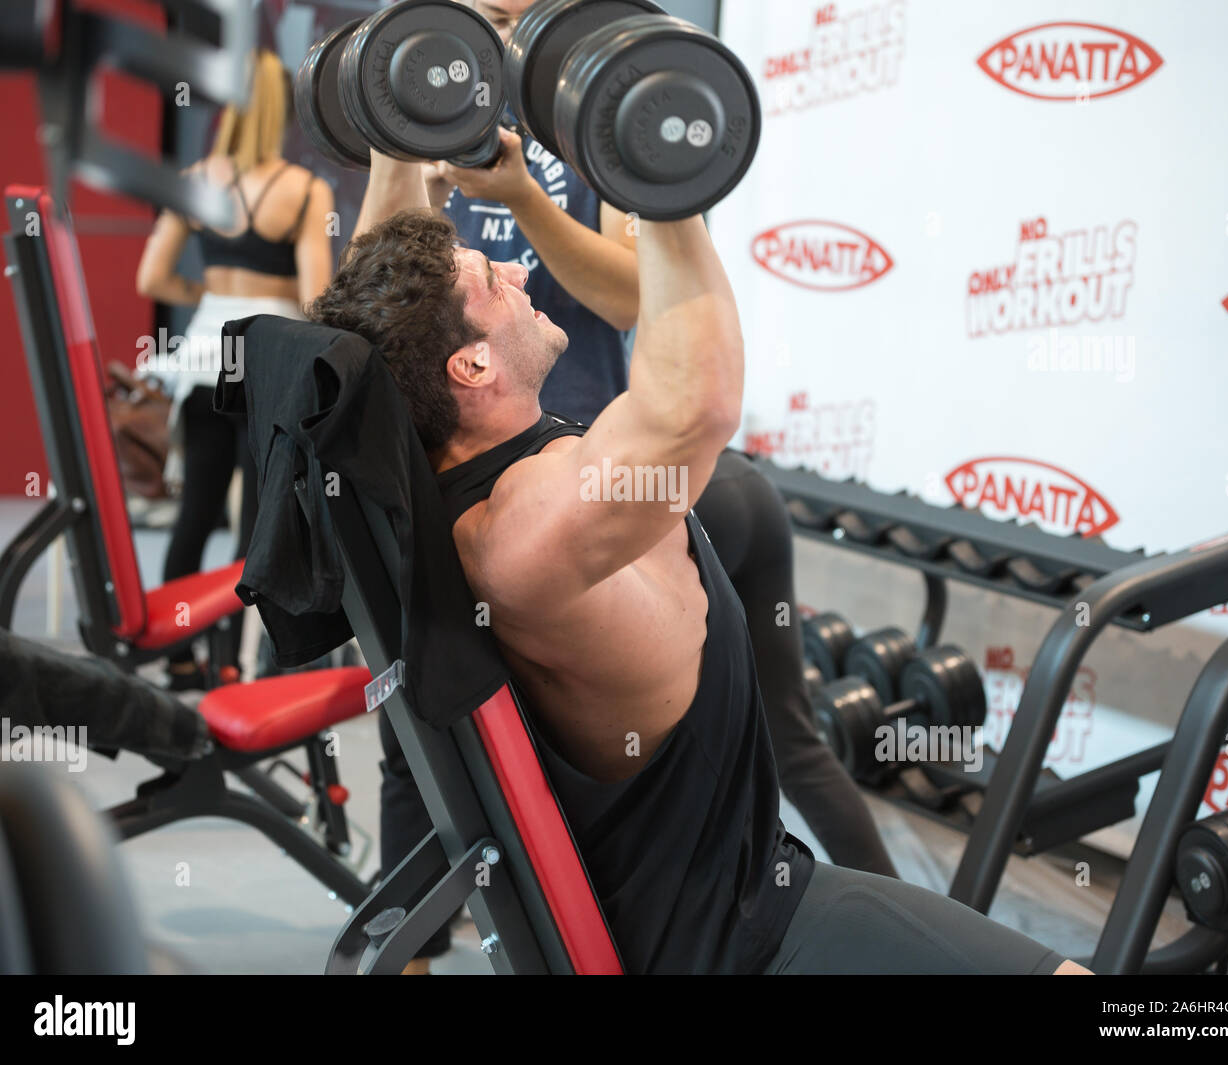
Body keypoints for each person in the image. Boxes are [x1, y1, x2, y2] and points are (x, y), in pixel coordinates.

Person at [308, 159, 1088, 972]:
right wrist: (662, 183)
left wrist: (399, 160)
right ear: (470, 367)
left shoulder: (432, 482)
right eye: (490, 280)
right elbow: (699, 407)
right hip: (746, 932)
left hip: (718, 903)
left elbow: (375, 337)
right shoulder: (522, 533)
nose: (514, 266)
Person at [383, 0, 897, 965]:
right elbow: (385, 308)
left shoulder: (577, 101)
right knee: (437, 719)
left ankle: (874, 917)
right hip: (529, 485)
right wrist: (395, 149)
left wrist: (530, 199)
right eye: (474, 10)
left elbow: (636, 302)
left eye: (507, 10)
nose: (490, 24)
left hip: (647, 475)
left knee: (779, 738)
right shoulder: (437, 116)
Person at [135, 49, 333, 690]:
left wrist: (210, 296)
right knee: (259, 517)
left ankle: (177, 654)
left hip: (204, 354)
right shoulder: (304, 191)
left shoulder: (197, 178)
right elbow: (316, 299)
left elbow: (152, 276)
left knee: (196, 506)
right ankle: (235, 657)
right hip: (270, 359)